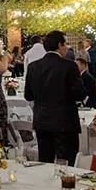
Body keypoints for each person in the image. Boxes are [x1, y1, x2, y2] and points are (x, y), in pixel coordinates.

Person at [25, 30, 85, 163]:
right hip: (65, 121)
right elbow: (80, 93)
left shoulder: (33, 66)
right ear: (59, 45)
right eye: (66, 44)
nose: (67, 48)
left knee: (45, 162)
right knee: (67, 163)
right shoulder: (69, 66)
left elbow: (28, 95)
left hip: (42, 120)